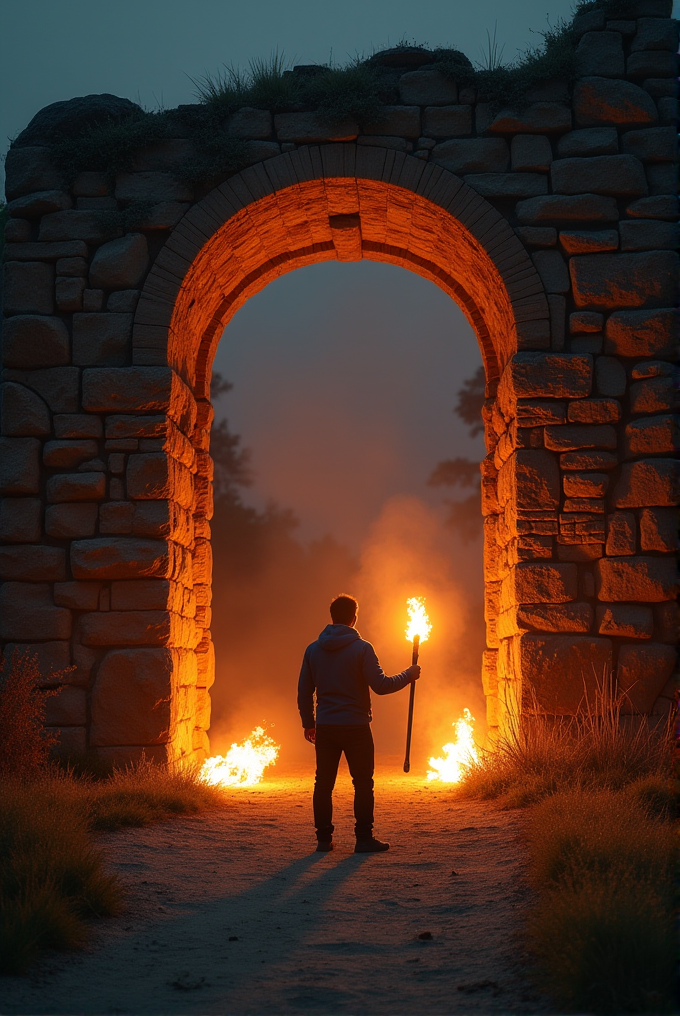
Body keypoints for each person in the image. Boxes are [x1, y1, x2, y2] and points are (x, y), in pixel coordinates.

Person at [297, 593, 420, 853]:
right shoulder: (362, 648)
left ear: (332, 617)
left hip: (326, 727)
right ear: (354, 618)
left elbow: (304, 691)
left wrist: (309, 723)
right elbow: (382, 685)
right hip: (356, 727)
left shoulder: (313, 650)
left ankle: (323, 840)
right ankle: (363, 839)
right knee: (363, 783)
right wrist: (408, 675)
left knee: (323, 783)